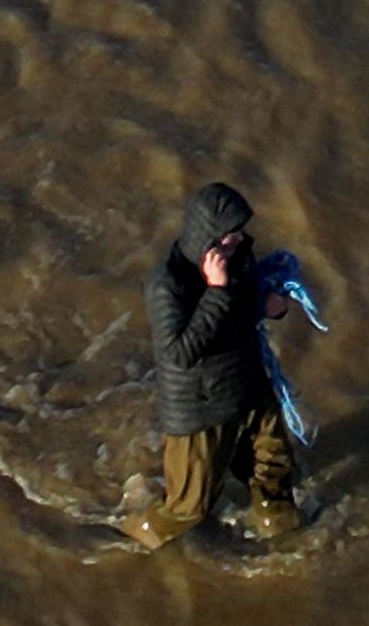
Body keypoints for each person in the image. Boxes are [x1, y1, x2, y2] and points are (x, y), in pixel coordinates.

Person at [128, 180, 317, 548]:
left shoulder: (238, 255)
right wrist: (215, 291)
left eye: (238, 234)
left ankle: (279, 527)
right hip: (202, 407)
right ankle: (129, 543)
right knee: (189, 507)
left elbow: (241, 309)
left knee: (273, 462)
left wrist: (267, 307)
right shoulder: (167, 285)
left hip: (247, 383)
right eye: (227, 238)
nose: (236, 242)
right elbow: (179, 353)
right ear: (207, 238)